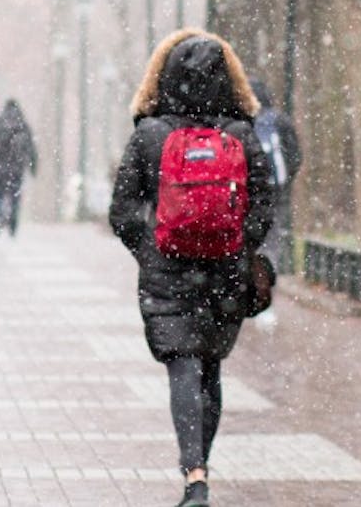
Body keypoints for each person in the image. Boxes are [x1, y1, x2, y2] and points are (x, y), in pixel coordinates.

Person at [108, 29, 272, 507]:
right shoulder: (241, 136)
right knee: (210, 369)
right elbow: (264, 204)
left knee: (182, 366)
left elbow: (122, 212)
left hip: (167, 273)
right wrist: (237, 245)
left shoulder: (150, 136)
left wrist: (153, 249)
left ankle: (193, 475)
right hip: (225, 271)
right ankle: (202, 466)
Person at [247, 78, 302, 296]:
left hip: (250, 190)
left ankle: (249, 278)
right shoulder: (279, 120)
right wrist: (286, 179)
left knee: (251, 232)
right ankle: (268, 277)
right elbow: (295, 154)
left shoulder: (243, 123)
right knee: (273, 232)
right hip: (276, 187)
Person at [0, 99, 38, 237]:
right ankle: (13, 221)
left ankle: (0, 215)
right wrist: (33, 166)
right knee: (15, 196)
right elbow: (31, 148)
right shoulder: (23, 126)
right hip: (16, 168)